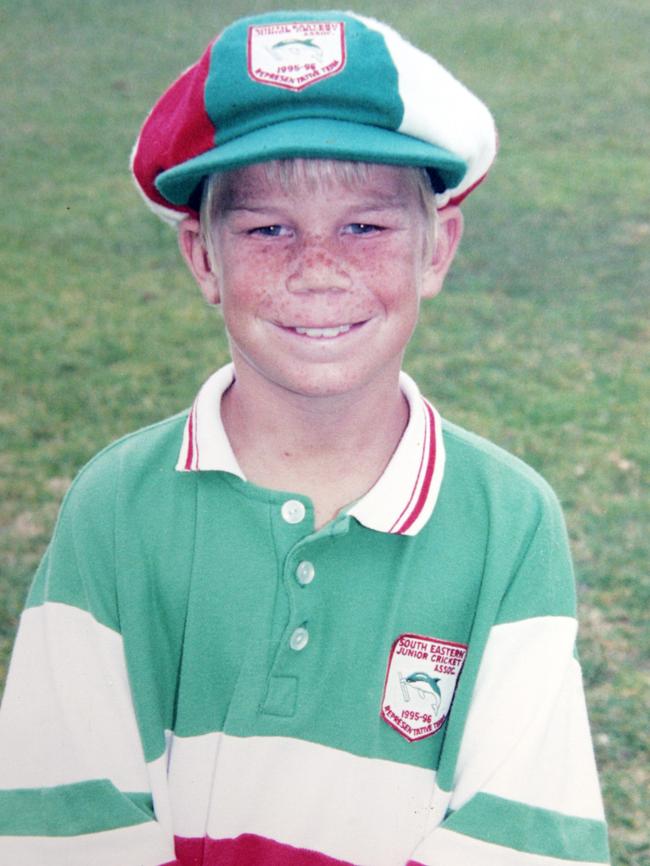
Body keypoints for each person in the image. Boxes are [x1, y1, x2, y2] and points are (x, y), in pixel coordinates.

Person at [0, 9, 610, 866]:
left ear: (438, 250)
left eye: (366, 226)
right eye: (266, 228)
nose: (317, 265)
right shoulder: (118, 506)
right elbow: (61, 826)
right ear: (203, 258)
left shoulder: (507, 521)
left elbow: (521, 838)